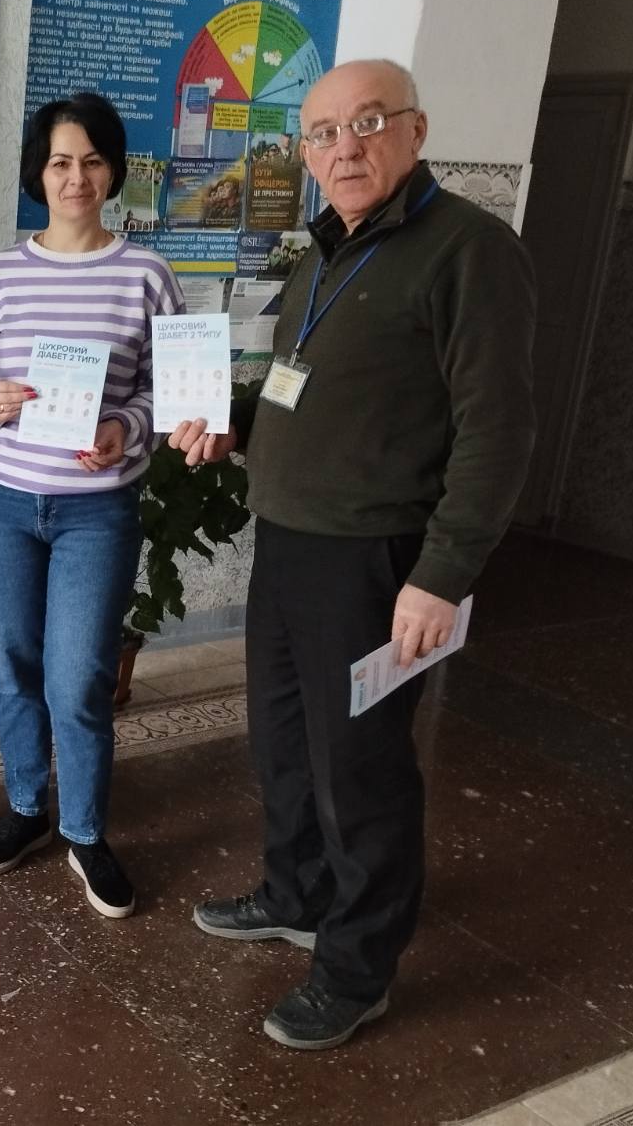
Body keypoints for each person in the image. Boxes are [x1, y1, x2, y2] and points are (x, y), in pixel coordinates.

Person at [168, 59, 535, 1049]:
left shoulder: (469, 249)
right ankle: (296, 893)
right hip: (290, 542)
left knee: (360, 768)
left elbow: (497, 430)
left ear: (416, 130)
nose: (343, 149)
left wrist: (440, 574)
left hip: (379, 557)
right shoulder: (325, 251)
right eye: (323, 133)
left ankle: (356, 964)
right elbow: (302, 389)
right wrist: (234, 425)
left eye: (366, 123)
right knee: (284, 742)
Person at [0, 92, 184, 920]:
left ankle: (85, 829)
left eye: (91, 160)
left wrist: (124, 428)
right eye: (58, 162)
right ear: (37, 174)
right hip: (3, 502)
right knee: (14, 663)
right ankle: (26, 808)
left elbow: (169, 388)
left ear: (112, 171)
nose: (75, 176)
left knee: (80, 674)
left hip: (96, 512)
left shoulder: (146, 274)